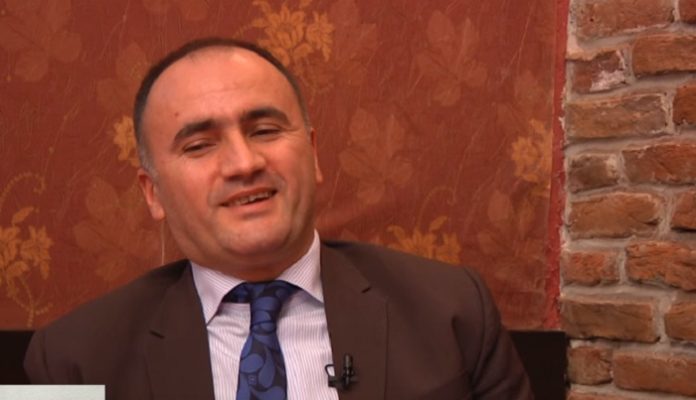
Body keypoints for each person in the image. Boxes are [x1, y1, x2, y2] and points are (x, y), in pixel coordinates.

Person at [24, 38, 532, 400]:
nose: (244, 163)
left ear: (312, 154)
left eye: (265, 130)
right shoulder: (67, 360)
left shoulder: (453, 311)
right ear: (152, 193)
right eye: (199, 145)